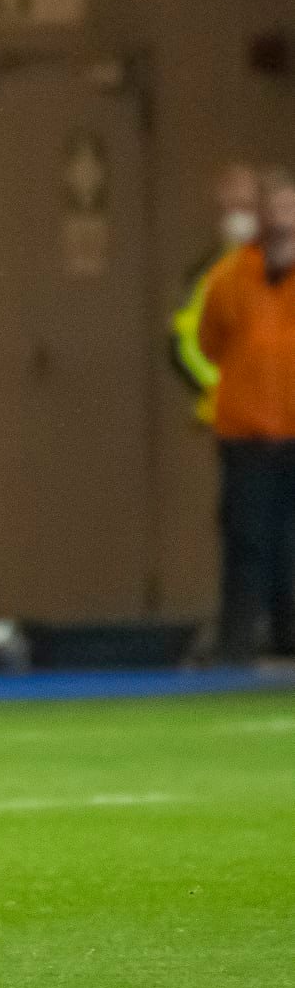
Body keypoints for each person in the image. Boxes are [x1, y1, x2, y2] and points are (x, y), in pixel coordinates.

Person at [199, 166, 295, 663]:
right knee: (246, 541)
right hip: (247, 433)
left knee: (290, 546)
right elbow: (208, 341)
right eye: (275, 210)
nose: (283, 221)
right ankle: (235, 646)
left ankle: (288, 638)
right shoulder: (233, 276)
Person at [174, 165, 262, 428]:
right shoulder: (209, 274)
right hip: (231, 418)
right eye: (232, 206)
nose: (239, 216)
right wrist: (225, 386)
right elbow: (185, 342)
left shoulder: (283, 270)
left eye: (246, 206)